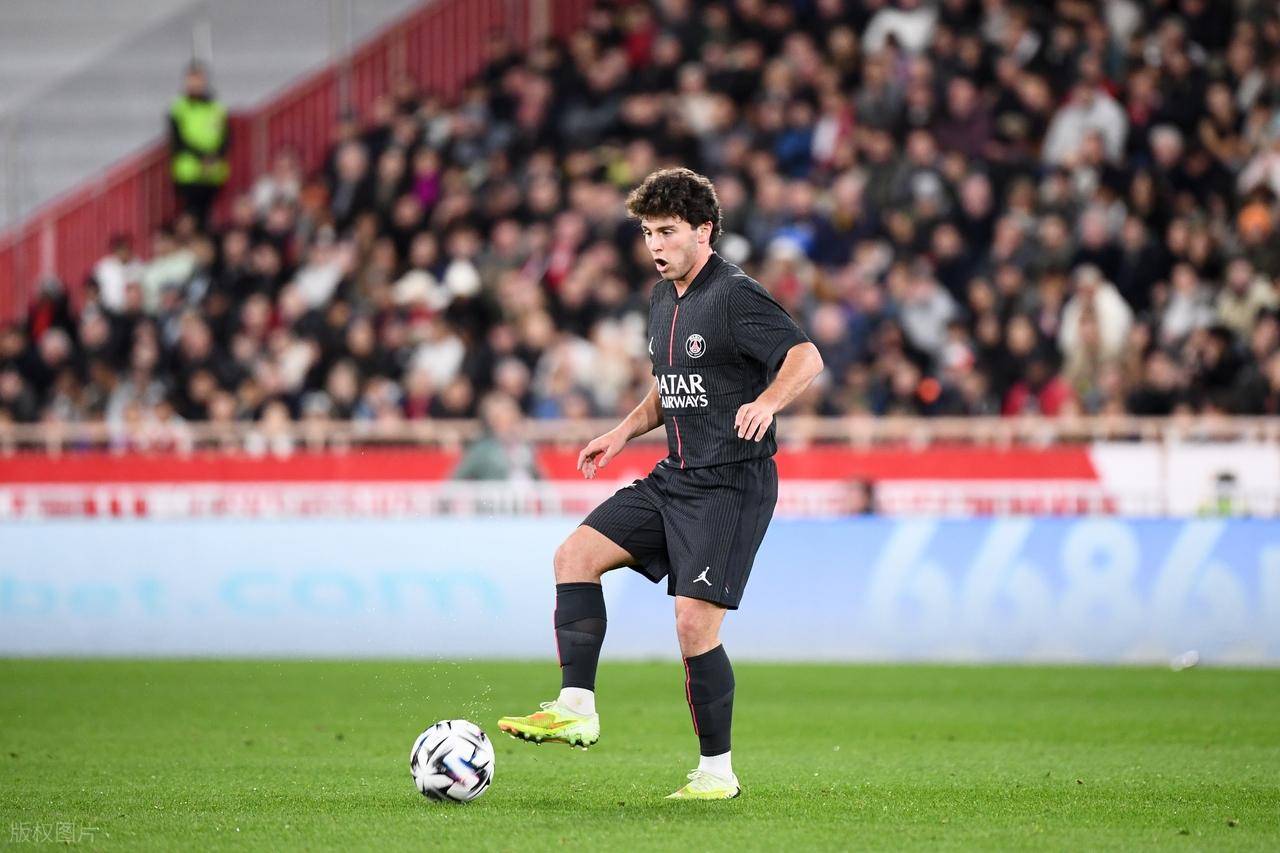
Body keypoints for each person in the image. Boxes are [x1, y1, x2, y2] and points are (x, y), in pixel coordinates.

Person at [497, 169, 824, 800]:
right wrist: (622, 432)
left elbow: (804, 356)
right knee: (575, 555)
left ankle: (717, 774)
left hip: (731, 483)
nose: (655, 245)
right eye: (648, 232)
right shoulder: (662, 298)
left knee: (693, 626)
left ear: (704, 231)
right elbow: (671, 385)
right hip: (675, 475)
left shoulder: (734, 294)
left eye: (668, 232)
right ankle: (576, 708)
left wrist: (767, 403)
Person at [169, 62, 229, 227]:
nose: (196, 84)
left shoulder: (217, 107)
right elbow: (178, 141)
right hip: (188, 173)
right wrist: (203, 158)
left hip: (213, 173)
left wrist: (213, 158)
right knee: (191, 216)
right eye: (192, 80)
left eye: (199, 79)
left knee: (206, 217)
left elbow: (226, 139)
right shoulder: (179, 108)